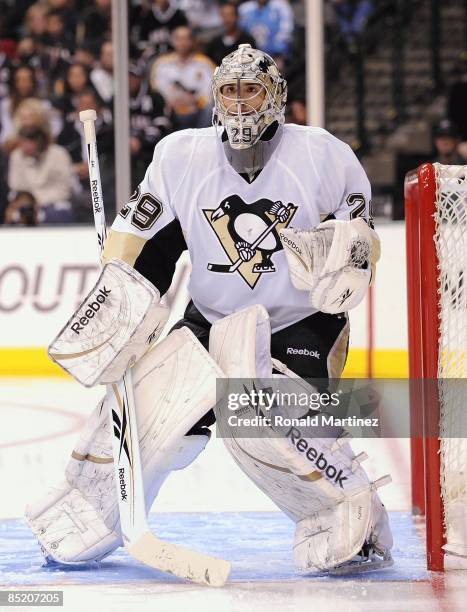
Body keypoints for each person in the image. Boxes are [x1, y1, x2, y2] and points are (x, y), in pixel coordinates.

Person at [26, 44, 392, 576]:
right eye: (230, 91)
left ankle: (349, 517)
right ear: (215, 98)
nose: (241, 103)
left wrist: (341, 252)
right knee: (150, 414)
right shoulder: (180, 155)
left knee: (263, 415)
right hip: (211, 318)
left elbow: (361, 246)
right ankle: (90, 509)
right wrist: (120, 296)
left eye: (252, 90)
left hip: (301, 323)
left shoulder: (324, 153)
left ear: (277, 98)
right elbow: (147, 244)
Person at [149, 25, 215, 129]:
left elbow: (211, 90)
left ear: (192, 41)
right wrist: (170, 101)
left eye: (186, 39)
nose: (182, 43)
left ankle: (202, 141)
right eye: (178, 39)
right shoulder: (161, 64)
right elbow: (157, 89)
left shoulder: (204, 63)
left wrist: (196, 101)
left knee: (211, 108)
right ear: (172, 41)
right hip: (171, 111)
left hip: (197, 111)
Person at [8, 124, 74, 223]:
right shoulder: (16, 156)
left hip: (54, 204)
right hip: (26, 204)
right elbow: (16, 187)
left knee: (56, 214)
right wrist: (27, 202)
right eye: (22, 141)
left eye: (29, 141)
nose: (24, 146)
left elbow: (65, 189)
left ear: (40, 141)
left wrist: (38, 200)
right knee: (13, 215)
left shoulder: (59, 154)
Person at [205, 1, 257, 67]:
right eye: (224, 16)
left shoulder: (247, 41)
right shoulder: (215, 43)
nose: (227, 20)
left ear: (237, 17)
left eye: (230, 15)